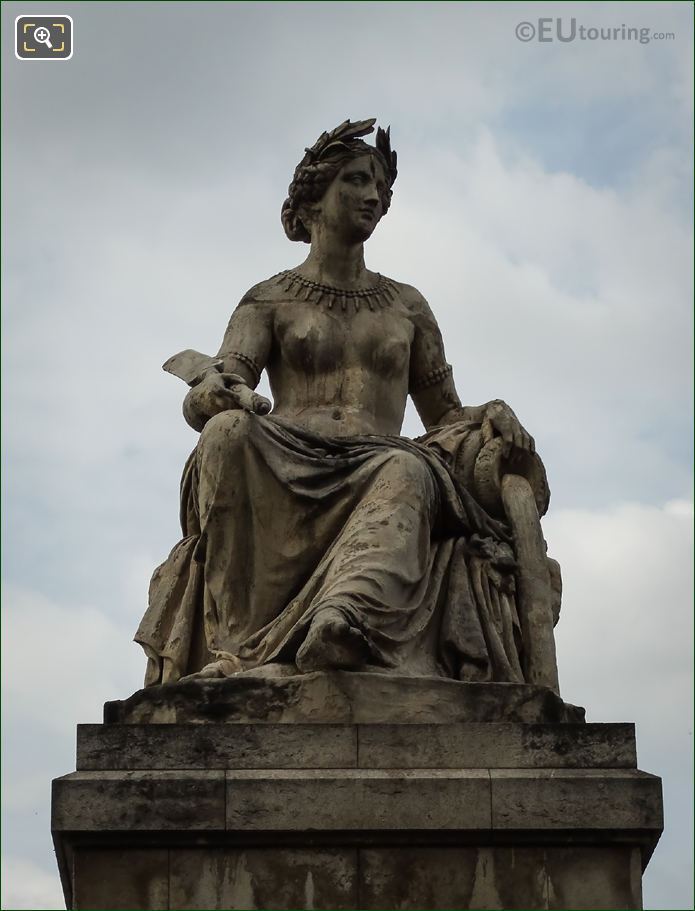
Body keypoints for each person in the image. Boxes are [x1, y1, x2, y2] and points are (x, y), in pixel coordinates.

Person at [135, 119, 544, 687]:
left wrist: (492, 412)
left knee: (409, 464)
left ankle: (342, 621)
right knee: (227, 433)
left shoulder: (407, 306)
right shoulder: (269, 298)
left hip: (379, 460)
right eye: (355, 181)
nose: (372, 196)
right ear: (314, 199)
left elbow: (444, 415)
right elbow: (224, 383)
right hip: (287, 455)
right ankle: (234, 646)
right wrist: (209, 395)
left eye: (379, 186)